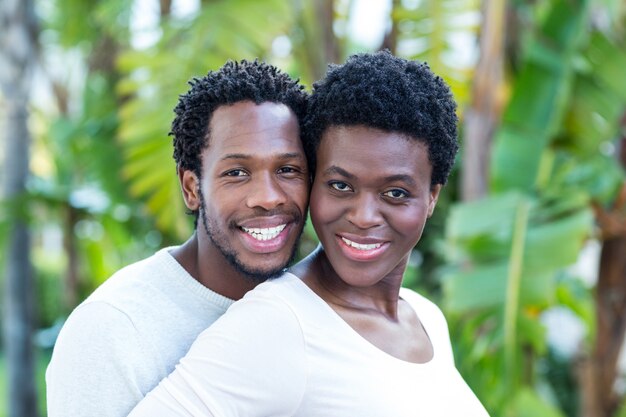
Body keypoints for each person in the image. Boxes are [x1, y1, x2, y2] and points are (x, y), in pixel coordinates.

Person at [128, 50, 489, 416]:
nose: (364, 217)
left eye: (395, 193)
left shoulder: (425, 317)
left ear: (431, 197)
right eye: (341, 186)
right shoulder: (279, 323)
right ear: (314, 181)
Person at [45, 60, 310, 417]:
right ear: (191, 189)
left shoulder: (320, 304)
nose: (268, 196)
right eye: (236, 172)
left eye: (288, 170)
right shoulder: (113, 330)